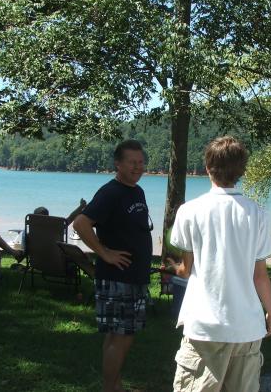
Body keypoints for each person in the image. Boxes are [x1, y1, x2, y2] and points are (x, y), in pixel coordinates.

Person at [166, 136, 271, 392]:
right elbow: (259, 274)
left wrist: (176, 268)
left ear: (207, 167)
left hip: (205, 326)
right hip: (247, 326)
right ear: (242, 171)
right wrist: (270, 311)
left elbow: (187, 268)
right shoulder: (257, 213)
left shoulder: (189, 211)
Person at [73, 140, 152, 392]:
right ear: (118, 164)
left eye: (141, 162)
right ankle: (110, 388)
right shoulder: (111, 192)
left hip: (132, 277)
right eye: (132, 162)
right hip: (118, 278)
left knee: (118, 336)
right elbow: (81, 223)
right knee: (121, 337)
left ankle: (114, 384)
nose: (137, 167)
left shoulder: (136, 191)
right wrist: (105, 253)